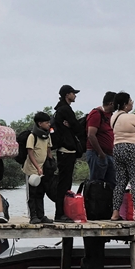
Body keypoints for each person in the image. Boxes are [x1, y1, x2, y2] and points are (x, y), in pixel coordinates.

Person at [111, 93, 135, 220]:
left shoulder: (113, 117)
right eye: (130, 100)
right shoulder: (132, 117)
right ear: (125, 104)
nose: (132, 102)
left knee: (120, 182)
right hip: (133, 149)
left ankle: (115, 213)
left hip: (118, 148)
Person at [50, 86, 83, 220]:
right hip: (66, 150)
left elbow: (73, 125)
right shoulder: (65, 109)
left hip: (64, 150)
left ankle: (63, 212)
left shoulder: (60, 109)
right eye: (73, 93)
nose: (75, 95)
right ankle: (60, 213)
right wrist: (73, 126)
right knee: (64, 183)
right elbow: (77, 127)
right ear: (67, 95)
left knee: (65, 182)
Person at [20, 111, 55, 223]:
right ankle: (33, 216)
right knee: (32, 194)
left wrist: (51, 163)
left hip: (42, 169)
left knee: (40, 193)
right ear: (40, 124)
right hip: (31, 169)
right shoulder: (32, 136)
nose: (49, 124)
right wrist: (37, 167)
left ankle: (41, 215)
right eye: (46, 122)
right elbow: (30, 153)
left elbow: (48, 150)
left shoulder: (47, 136)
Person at [84, 92, 117, 192]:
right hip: (97, 153)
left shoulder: (111, 116)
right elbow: (91, 134)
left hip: (109, 154)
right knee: (96, 183)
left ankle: (110, 201)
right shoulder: (96, 114)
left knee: (112, 183)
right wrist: (100, 153)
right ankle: (94, 201)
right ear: (111, 103)